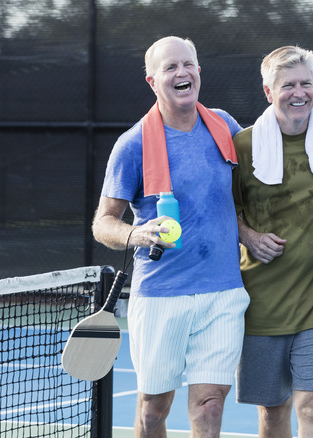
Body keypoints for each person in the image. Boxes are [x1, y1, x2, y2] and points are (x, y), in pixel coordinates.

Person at [92, 36, 249, 437]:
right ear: (152, 81)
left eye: (188, 64)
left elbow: (272, 153)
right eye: (170, 67)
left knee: (210, 405)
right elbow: (104, 223)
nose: (182, 73)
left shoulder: (225, 126)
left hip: (223, 292)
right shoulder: (132, 145)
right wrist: (137, 233)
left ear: (198, 71)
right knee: (152, 411)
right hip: (161, 294)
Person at [231, 45, 313, 438]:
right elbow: (226, 211)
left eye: (306, 83)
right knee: (272, 413)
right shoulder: (242, 147)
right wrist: (249, 236)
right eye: (288, 85)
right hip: (261, 304)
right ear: (269, 92)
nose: (299, 92)